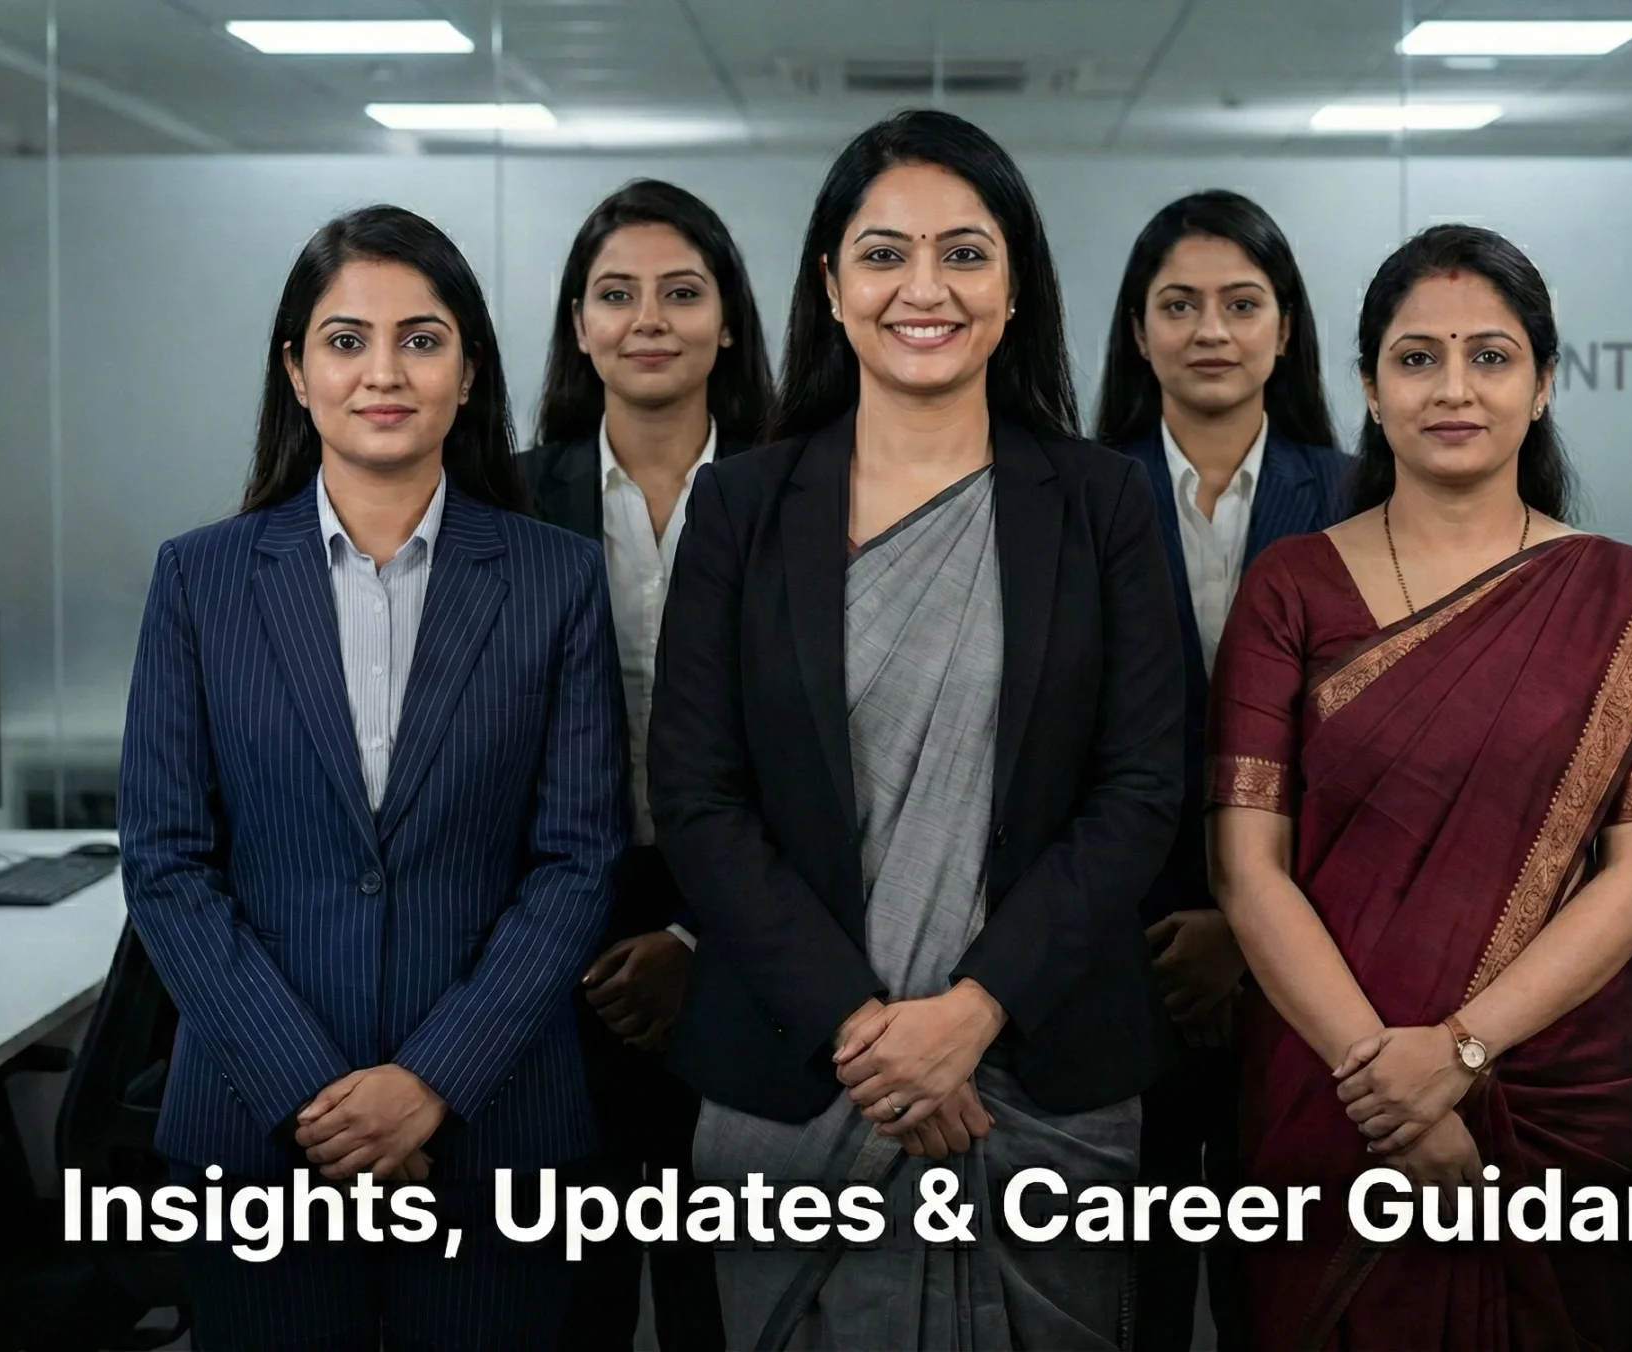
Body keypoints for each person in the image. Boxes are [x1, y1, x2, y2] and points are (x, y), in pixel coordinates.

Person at [648, 109, 1186, 1349]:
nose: (924, 288)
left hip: (1039, 1070)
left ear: (1015, 286)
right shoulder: (740, 507)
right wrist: (862, 1028)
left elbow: (1139, 788)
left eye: (965, 252)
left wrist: (974, 1010)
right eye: (884, 254)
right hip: (794, 1070)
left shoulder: (1101, 502)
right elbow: (697, 795)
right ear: (830, 286)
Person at [1207, 223, 1632, 1351]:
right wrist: (1385, 1086)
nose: (1454, 389)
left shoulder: (1628, 606)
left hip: (1555, 1099)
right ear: (1369, 387)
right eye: (1417, 358)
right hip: (1329, 1091)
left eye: (1490, 357)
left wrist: (1456, 1053)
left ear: (1542, 385)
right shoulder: (1290, 587)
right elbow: (1248, 870)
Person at [118, 205, 624, 1351]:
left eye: (421, 339)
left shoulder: (555, 580)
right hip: (258, 1128)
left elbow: (577, 862)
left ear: (468, 371)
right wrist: (309, 1092)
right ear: (297, 372)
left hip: (495, 1125)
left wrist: (432, 1079)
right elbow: (165, 861)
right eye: (345, 340)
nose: (382, 372)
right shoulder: (200, 580)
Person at [520, 177, 772, 1352]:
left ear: (728, 321)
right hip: (552, 926)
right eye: (616, 294)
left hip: (754, 921)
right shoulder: (512, 499)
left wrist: (695, 937)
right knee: (570, 1288)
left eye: (682, 291)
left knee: (721, 1284)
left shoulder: (801, 494)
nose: (649, 319)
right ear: (580, 325)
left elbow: (835, 754)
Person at [1092, 188, 1346, 1351]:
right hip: (1112, 961)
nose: (1210, 330)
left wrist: (1247, 930)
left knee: (1280, 1300)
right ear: (1137, 330)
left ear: (1284, 329)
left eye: (1241, 304)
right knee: (1121, 1302)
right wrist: (1159, 926)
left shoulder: (1355, 497)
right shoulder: (1070, 495)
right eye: (1178, 304)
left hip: (1303, 972)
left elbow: (1371, 761)